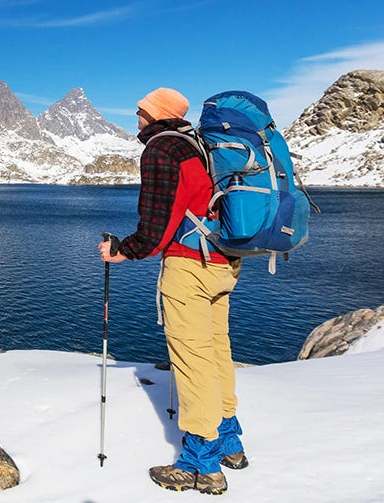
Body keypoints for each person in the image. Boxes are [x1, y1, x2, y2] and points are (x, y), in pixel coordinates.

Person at [98, 87, 247, 495]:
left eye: (141, 109)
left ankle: (201, 465)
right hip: (223, 262)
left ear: (156, 114)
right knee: (216, 351)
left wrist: (124, 251)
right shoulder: (198, 144)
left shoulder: (162, 149)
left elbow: (156, 223)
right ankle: (229, 442)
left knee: (192, 362)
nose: (136, 114)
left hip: (189, 268)